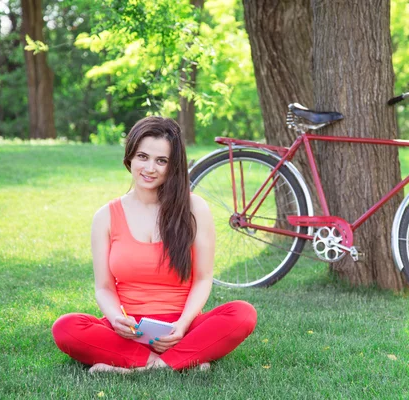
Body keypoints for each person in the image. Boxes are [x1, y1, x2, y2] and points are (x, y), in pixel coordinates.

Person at [52, 116, 257, 373]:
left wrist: (182, 326)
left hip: (183, 327)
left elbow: (203, 279)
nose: (150, 168)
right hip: (128, 331)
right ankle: (174, 363)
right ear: (130, 157)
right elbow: (104, 287)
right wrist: (116, 319)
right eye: (142, 156)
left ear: (173, 166)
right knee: (66, 327)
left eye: (162, 161)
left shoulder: (194, 208)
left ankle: (137, 365)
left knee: (243, 313)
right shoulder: (105, 216)